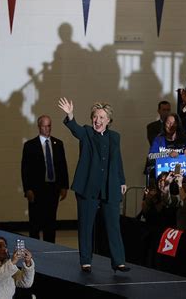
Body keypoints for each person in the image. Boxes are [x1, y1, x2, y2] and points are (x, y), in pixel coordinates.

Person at [58, 97, 130, 273]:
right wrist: (70, 115)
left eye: (101, 118)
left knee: (113, 225)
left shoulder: (115, 137)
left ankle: (118, 261)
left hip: (109, 187)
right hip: (88, 187)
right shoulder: (87, 133)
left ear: (108, 121)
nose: (97, 120)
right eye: (95, 117)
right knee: (86, 225)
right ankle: (85, 261)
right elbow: (75, 129)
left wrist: (122, 180)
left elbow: (117, 161)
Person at [21, 115, 69, 243]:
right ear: (39, 127)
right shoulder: (30, 145)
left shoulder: (58, 144)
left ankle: (50, 247)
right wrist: (28, 189)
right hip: (36, 190)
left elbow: (62, 166)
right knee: (35, 223)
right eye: (44, 126)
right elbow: (25, 170)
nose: (47, 129)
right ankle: (35, 249)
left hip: (53, 189)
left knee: (51, 222)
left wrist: (64, 186)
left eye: (49, 126)